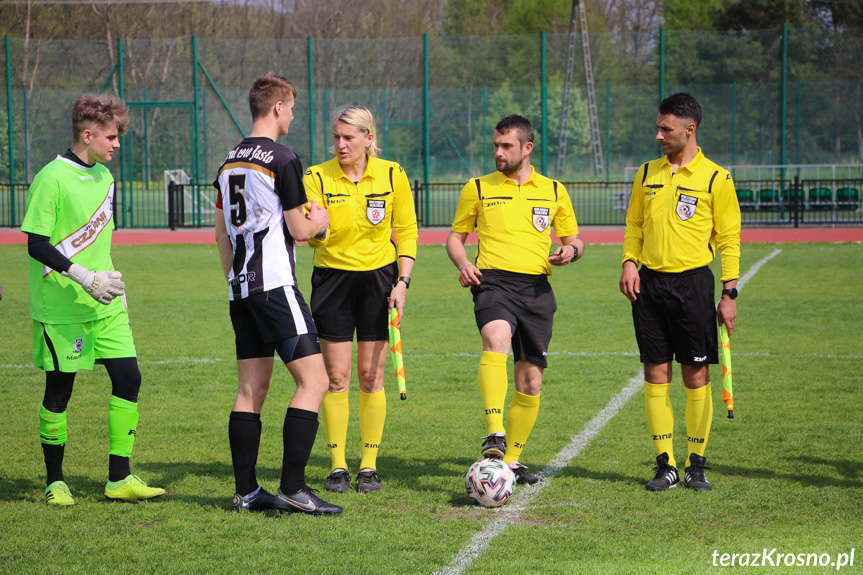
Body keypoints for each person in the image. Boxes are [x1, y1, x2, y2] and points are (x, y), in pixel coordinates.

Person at [21, 93, 165, 505]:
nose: (117, 144)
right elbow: (35, 244)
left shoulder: (105, 177)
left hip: (106, 304)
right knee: (59, 390)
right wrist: (82, 276)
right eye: (111, 136)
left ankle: (119, 479)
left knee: (129, 378)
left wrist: (108, 282)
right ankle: (55, 481)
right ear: (88, 135)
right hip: (63, 305)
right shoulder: (52, 177)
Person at [214, 73, 342, 515]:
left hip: (241, 290)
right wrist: (321, 220)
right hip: (273, 286)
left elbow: (221, 232)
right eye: (291, 106)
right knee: (316, 380)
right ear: (277, 107)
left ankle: (247, 493)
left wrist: (236, 280)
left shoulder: (229, 160)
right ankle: (292, 488)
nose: (293, 114)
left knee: (251, 390)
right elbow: (300, 231)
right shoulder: (283, 158)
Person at [447, 114, 584, 485]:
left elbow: (575, 240)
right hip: (493, 283)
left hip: (537, 290)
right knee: (495, 337)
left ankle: (513, 461)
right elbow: (455, 238)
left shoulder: (553, 190)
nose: (498, 152)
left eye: (506, 146)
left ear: (527, 148)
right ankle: (495, 431)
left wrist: (570, 252)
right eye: (496, 145)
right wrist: (463, 264)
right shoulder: (478, 187)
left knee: (530, 382)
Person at [619, 92, 741, 492]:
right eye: (658, 127)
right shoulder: (646, 173)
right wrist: (629, 262)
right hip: (649, 286)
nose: (658, 135)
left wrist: (729, 293)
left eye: (665, 128)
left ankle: (696, 463)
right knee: (655, 373)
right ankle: (665, 464)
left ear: (689, 129)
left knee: (696, 374)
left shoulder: (716, 178)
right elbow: (634, 225)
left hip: (693, 285)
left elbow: (729, 239)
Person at [303, 106, 418, 494]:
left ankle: (368, 466)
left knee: (372, 376)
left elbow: (407, 230)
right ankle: (338, 467)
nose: (340, 144)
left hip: (380, 281)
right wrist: (314, 231)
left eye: (348, 137)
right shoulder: (316, 177)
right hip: (332, 280)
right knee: (337, 378)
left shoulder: (392, 174)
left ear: (369, 138)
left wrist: (402, 282)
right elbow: (310, 233)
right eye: (336, 137)